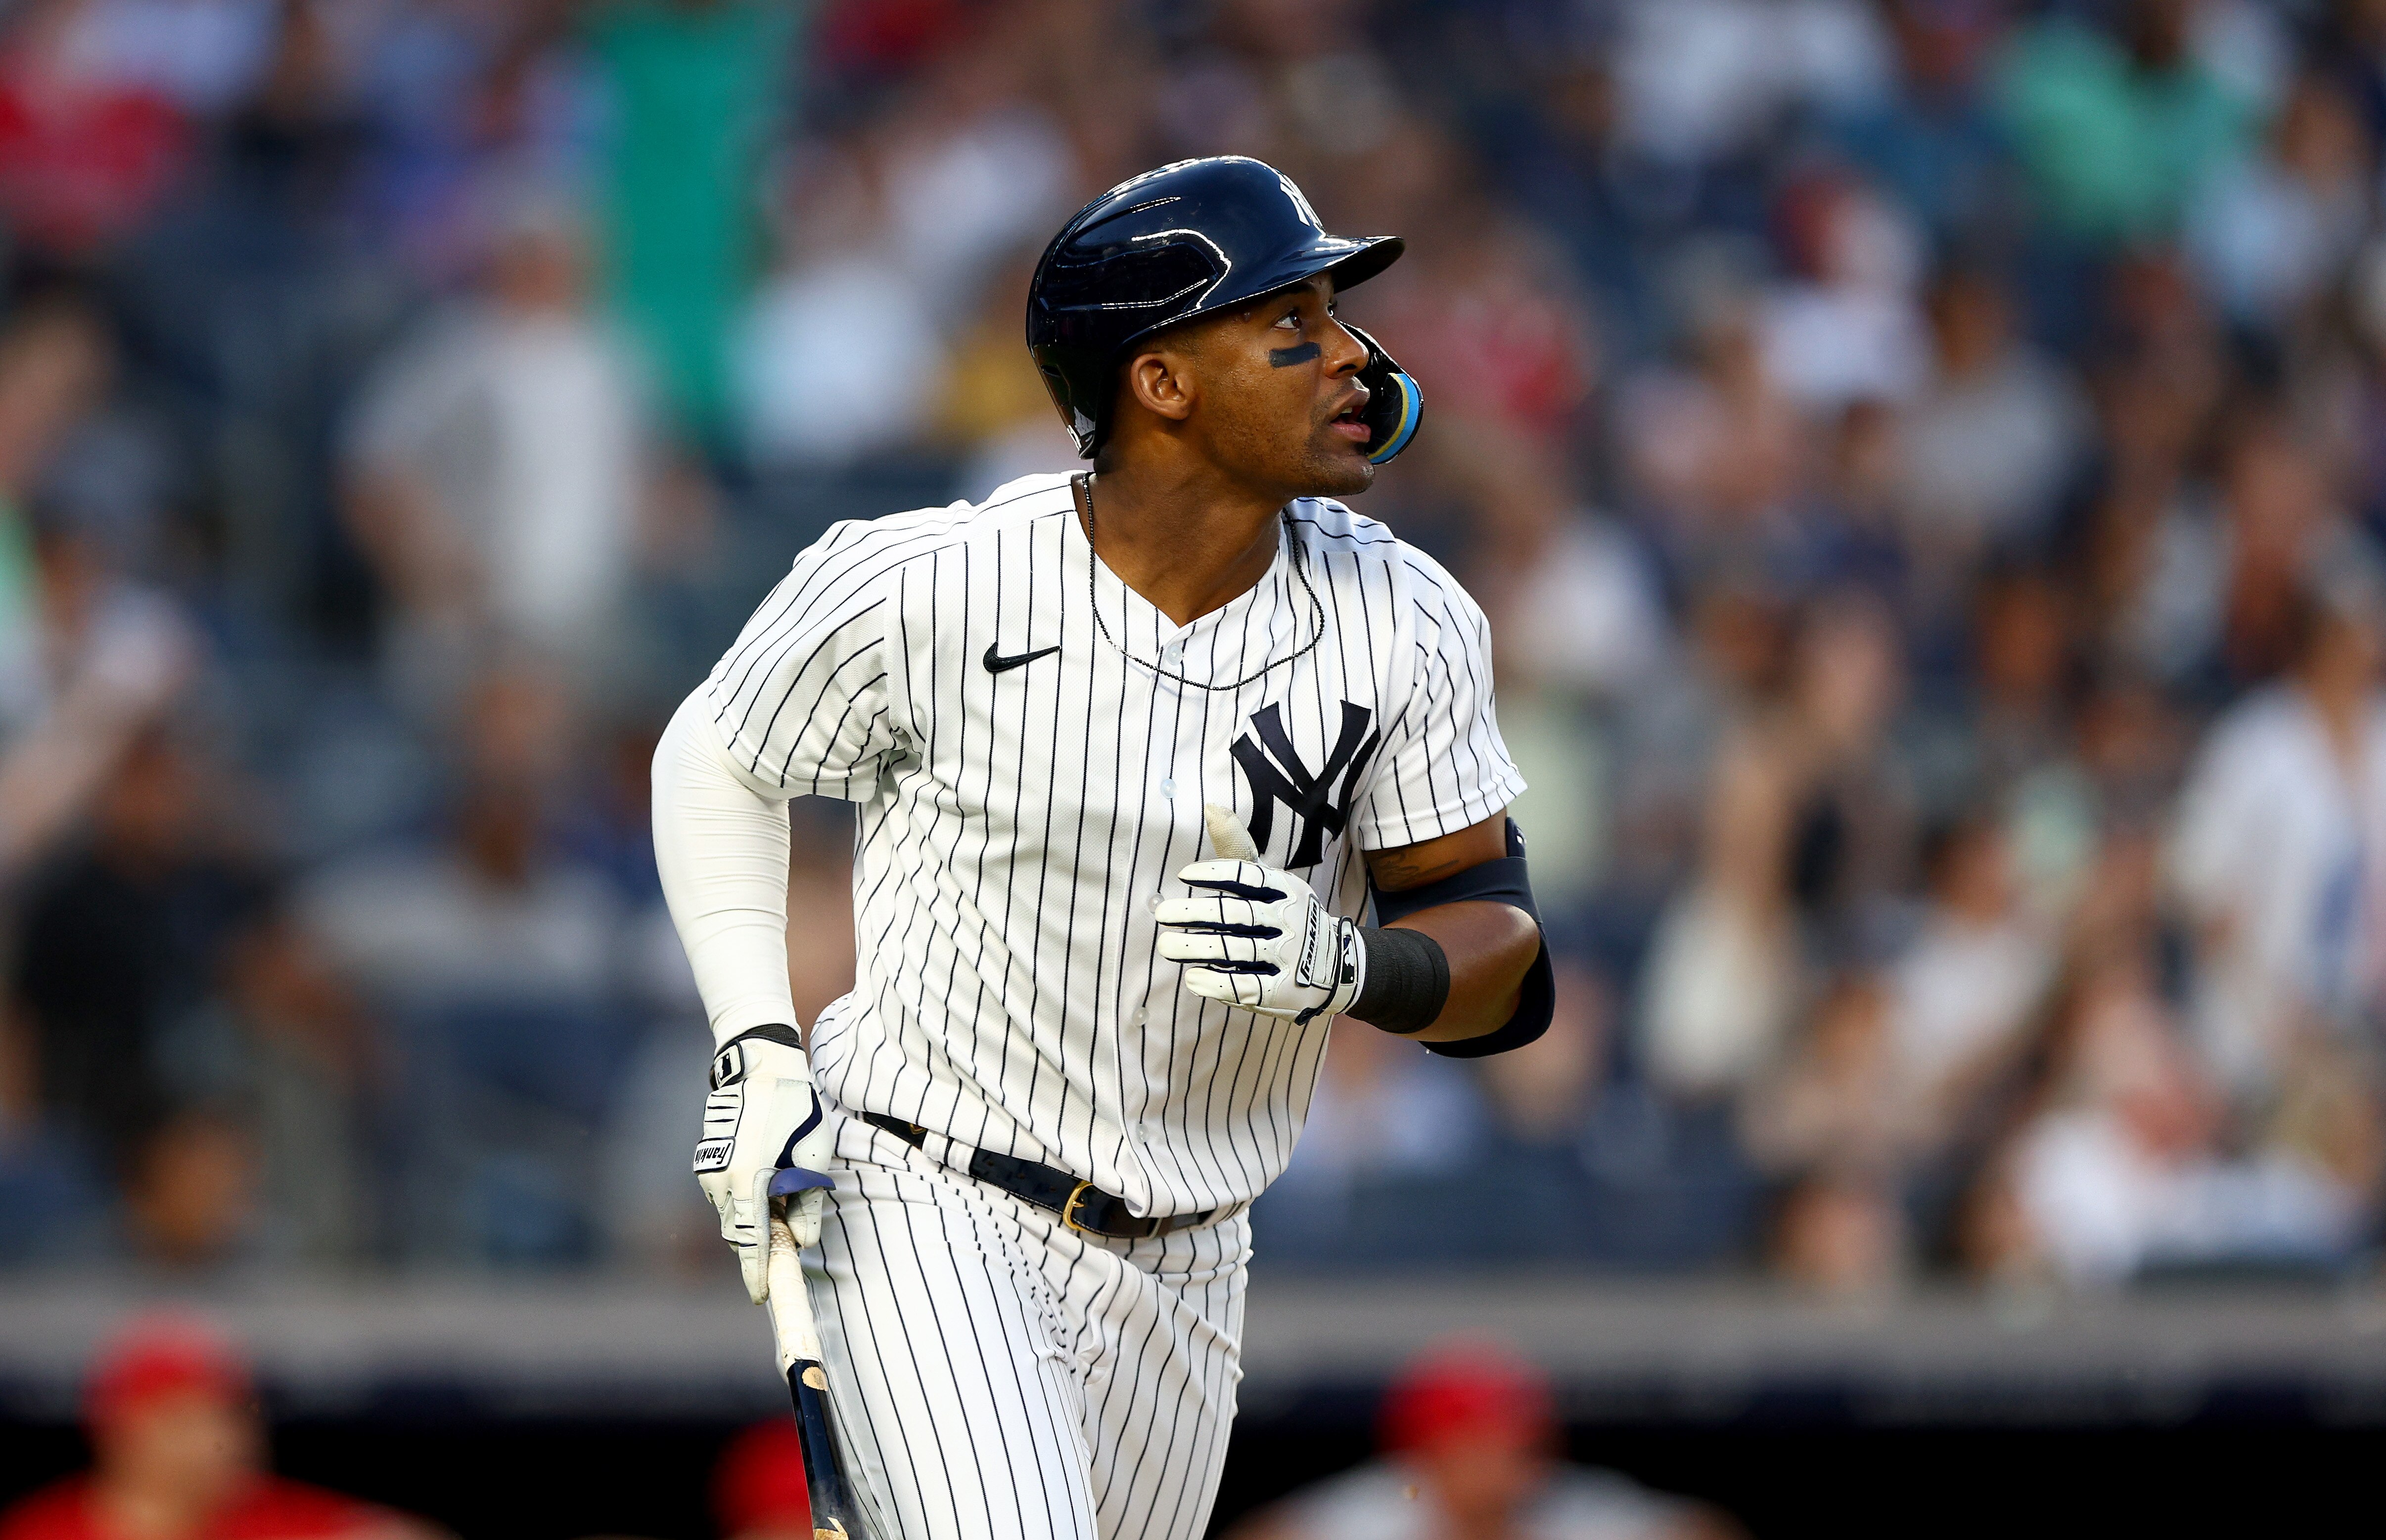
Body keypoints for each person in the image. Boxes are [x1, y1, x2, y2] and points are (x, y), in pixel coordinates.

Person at [651, 156, 1554, 1540]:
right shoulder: (930, 580)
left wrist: (1358, 965)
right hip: (928, 1186)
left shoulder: (1406, 616)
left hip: (1192, 1258)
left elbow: (1508, 966)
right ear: (1164, 383)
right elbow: (714, 755)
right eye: (1292, 324)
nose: (1353, 359)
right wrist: (756, 1043)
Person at [1225, 1341, 1738, 1540]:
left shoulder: (1560, 1508)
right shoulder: (1395, 1504)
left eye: (1524, 1443)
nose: (1514, 1462)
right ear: (1432, 1452)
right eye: (1484, 1442)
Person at [0, 1315, 439, 1540]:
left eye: (236, 1418)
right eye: (196, 1420)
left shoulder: (263, 1515)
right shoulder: (41, 1530)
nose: (231, 1440)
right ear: (128, 1430)